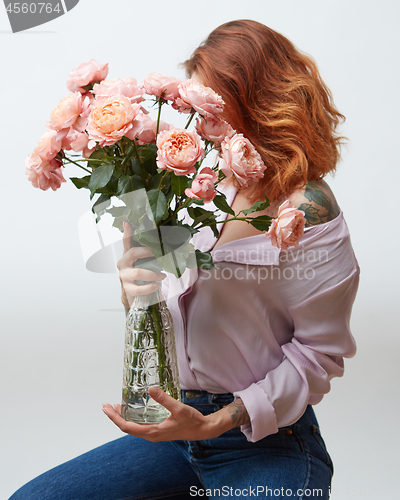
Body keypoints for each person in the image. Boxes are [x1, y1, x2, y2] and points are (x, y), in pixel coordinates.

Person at [10, 20, 359, 500]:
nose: (199, 119)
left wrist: (220, 420)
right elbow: (167, 298)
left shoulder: (307, 210)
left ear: (258, 100)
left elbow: (319, 355)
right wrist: (134, 287)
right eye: (196, 104)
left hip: (266, 444)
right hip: (176, 433)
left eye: (212, 104)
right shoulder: (200, 186)